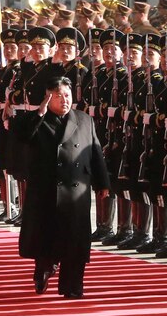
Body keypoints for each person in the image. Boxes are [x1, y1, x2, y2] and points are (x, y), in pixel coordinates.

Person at [15, 76, 110, 299]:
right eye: (58, 96)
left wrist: (102, 182)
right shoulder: (35, 119)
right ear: (48, 98)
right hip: (46, 189)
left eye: (67, 95)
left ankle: (72, 286)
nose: (64, 100)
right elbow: (22, 138)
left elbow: (95, 151)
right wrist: (39, 113)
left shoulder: (84, 119)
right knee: (46, 236)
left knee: (75, 239)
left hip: (76, 189)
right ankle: (44, 269)